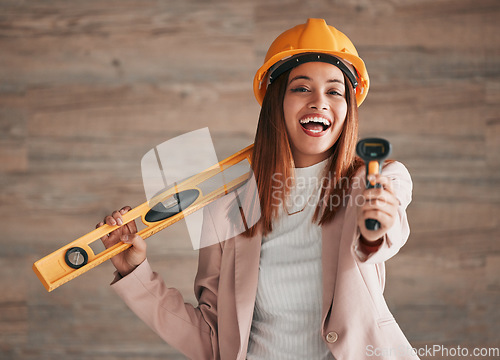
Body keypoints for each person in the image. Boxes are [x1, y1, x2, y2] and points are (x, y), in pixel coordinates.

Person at [97, 18, 418, 360]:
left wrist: (376, 224)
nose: (319, 102)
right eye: (301, 87)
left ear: (349, 107)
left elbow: (382, 234)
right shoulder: (227, 209)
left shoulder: (375, 181)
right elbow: (212, 338)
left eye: (334, 91)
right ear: (276, 101)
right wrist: (135, 273)